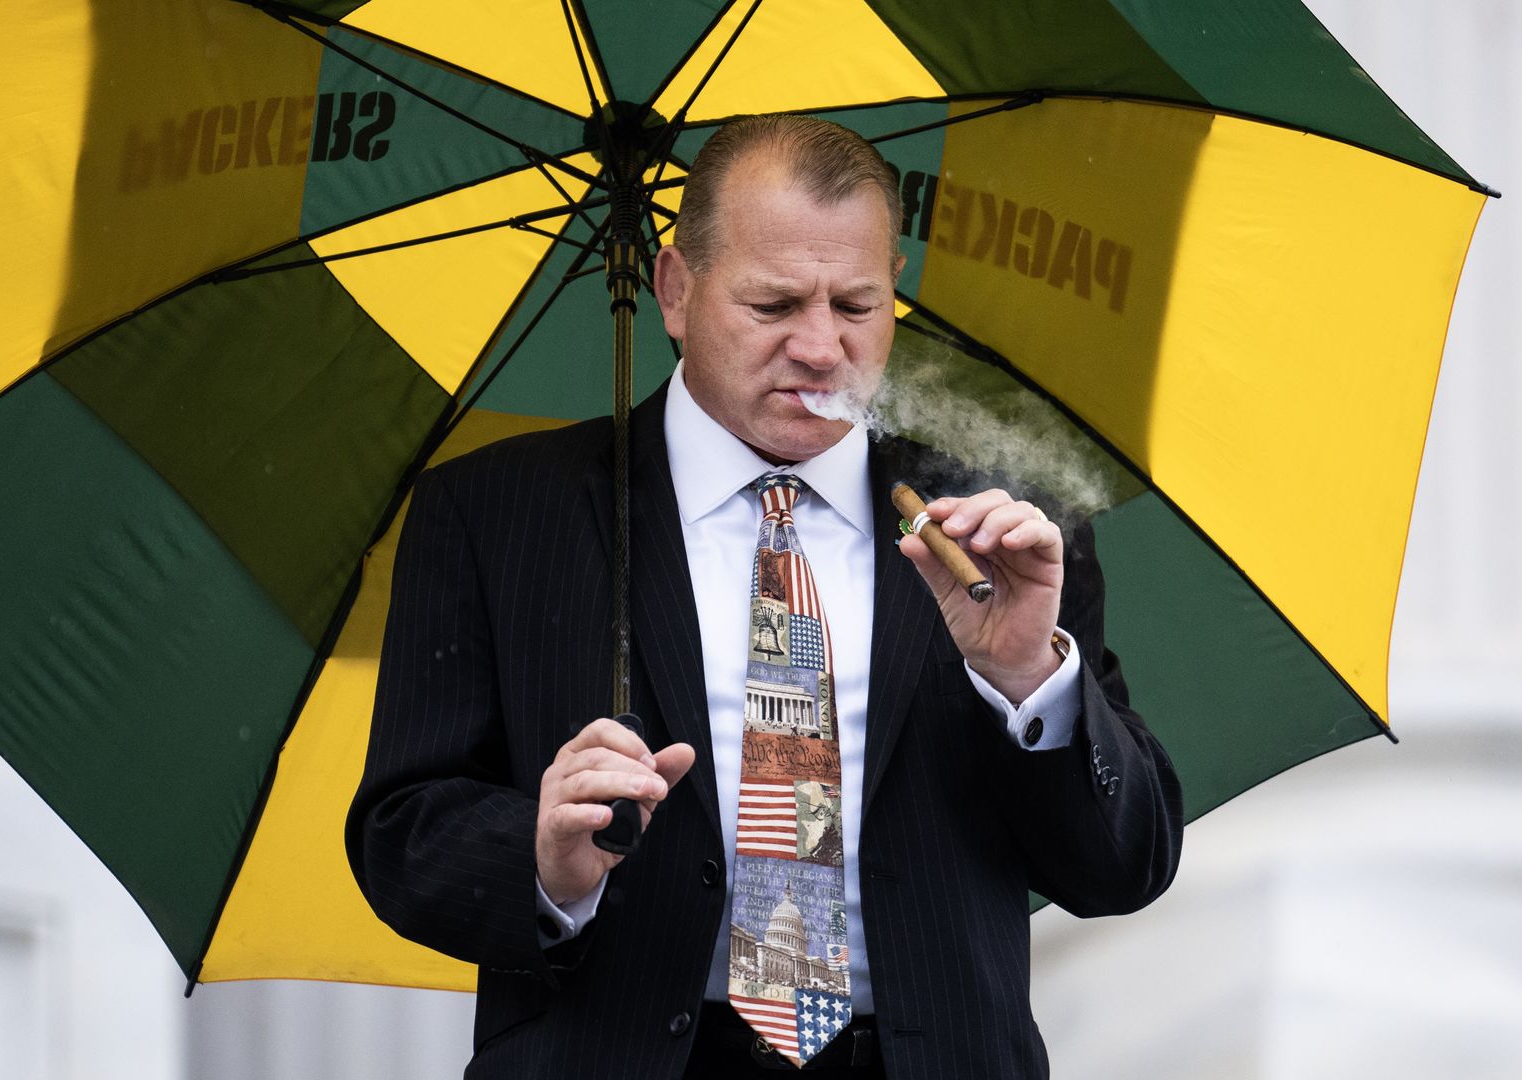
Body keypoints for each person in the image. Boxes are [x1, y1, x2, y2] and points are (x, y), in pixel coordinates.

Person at [346, 114, 1182, 1080]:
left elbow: (1123, 868)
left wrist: (1027, 677)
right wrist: (544, 860)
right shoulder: (498, 512)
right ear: (675, 290)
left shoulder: (997, 529)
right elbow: (403, 834)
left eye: (857, 305)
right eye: (775, 303)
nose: (821, 347)